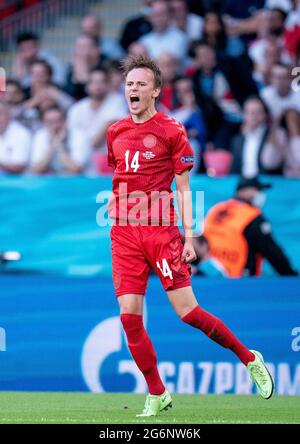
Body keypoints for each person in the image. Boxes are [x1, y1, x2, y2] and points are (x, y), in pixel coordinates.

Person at [106, 55, 274, 417]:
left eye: (140, 84)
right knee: (128, 315)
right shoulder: (115, 131)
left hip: (161, 232)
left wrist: (189, 236)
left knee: (188, 312)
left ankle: (249, 358)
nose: (132, 89)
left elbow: (183, 188)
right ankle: (157, 393)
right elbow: (120, 176)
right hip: (123, 233)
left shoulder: (171, 130)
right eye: (129, 84)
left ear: (155, 91)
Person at [204, 176, 298, 277]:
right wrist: (291, 275)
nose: (261, 194)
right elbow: (272, 251)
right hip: (240, 280)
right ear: (243, 191)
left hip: (211, 273)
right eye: (257, 190)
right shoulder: (251, 216)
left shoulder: (216, 209)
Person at [67, 68, 127, 151]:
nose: (98, 86)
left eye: (102, 82)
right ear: (87, 86)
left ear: (108, 85)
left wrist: (87, 149)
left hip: (109, 153)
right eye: (94, 82)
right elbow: (73, 134)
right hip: (82, 154)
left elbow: (110, 126)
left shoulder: (117, 101)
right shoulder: (77, 109)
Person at [230, 96, 285, 176]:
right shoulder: (237, 140)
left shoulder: (272, 136)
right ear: (244, 115)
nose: (253, 116)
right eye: (250, 112)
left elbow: (276, 166)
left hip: (267, 184)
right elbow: (234, 169)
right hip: (243, 184)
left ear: (264, 115)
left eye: (257, 112)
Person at [30, 106, 91, 175]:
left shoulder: (79, 136)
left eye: (58, 121)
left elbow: (76, 169)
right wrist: (52, 146)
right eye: (50, 122)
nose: (55, 126)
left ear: (65, 121)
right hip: (52, 182)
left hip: (80, 181)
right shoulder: (40, 136)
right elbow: (37, 169)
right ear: (43, 123)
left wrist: (59, 145)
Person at [0, 102, 31, 174]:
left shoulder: (21, 133)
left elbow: (19, 166)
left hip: (16, 180)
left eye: (0, 114)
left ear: (8, 115)